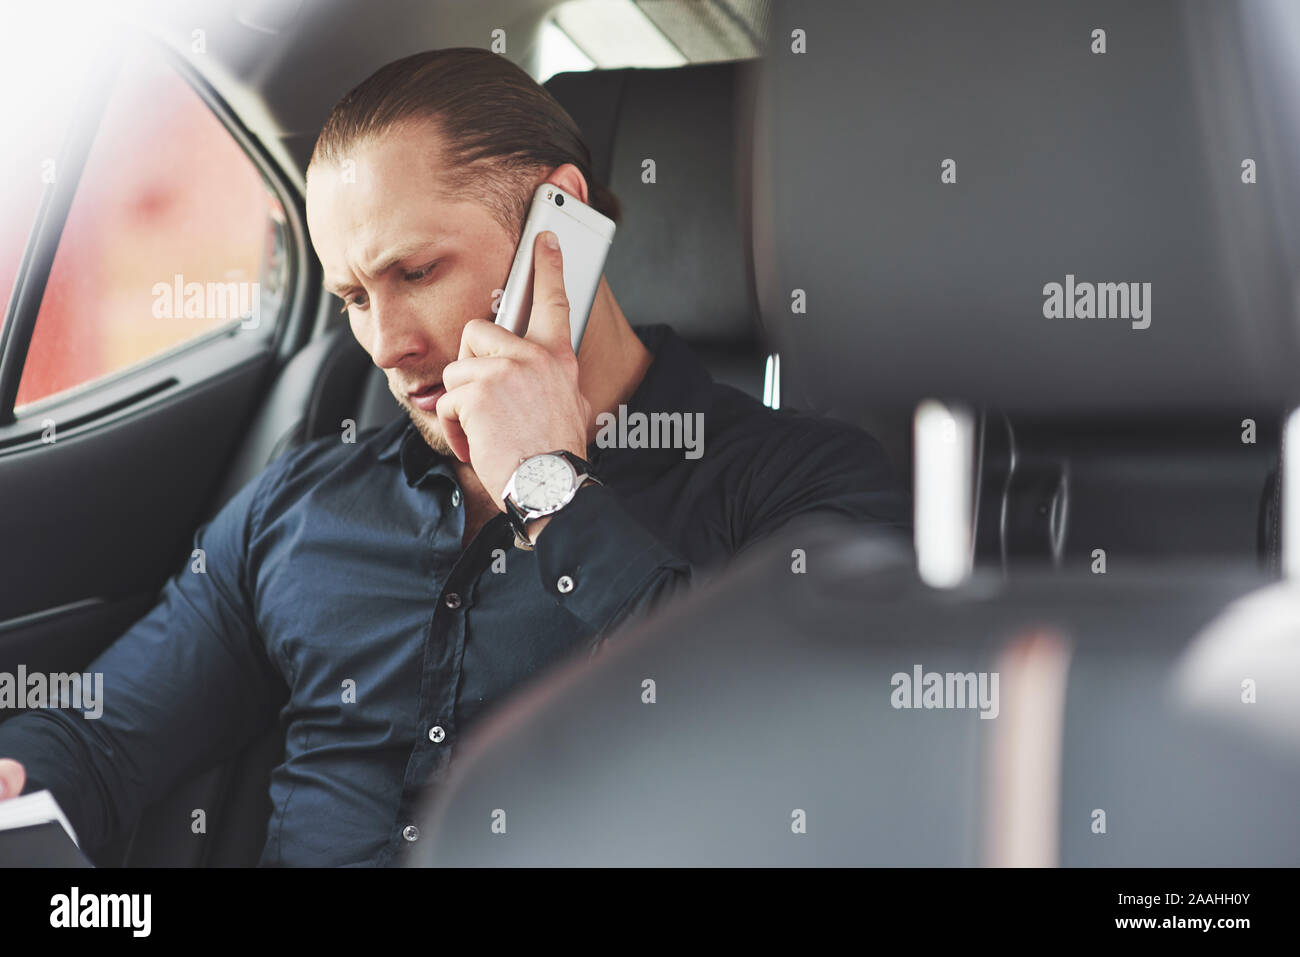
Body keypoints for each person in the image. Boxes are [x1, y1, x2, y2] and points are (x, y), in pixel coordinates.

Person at [0, 48, 908, 866]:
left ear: (561, 225)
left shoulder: (798, 485)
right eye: (353, 296)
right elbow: (100, 735)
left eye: (417, 273)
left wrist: (548, 486)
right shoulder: (301, 505)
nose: (385, 343)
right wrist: (18, 778)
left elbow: (796, 750)